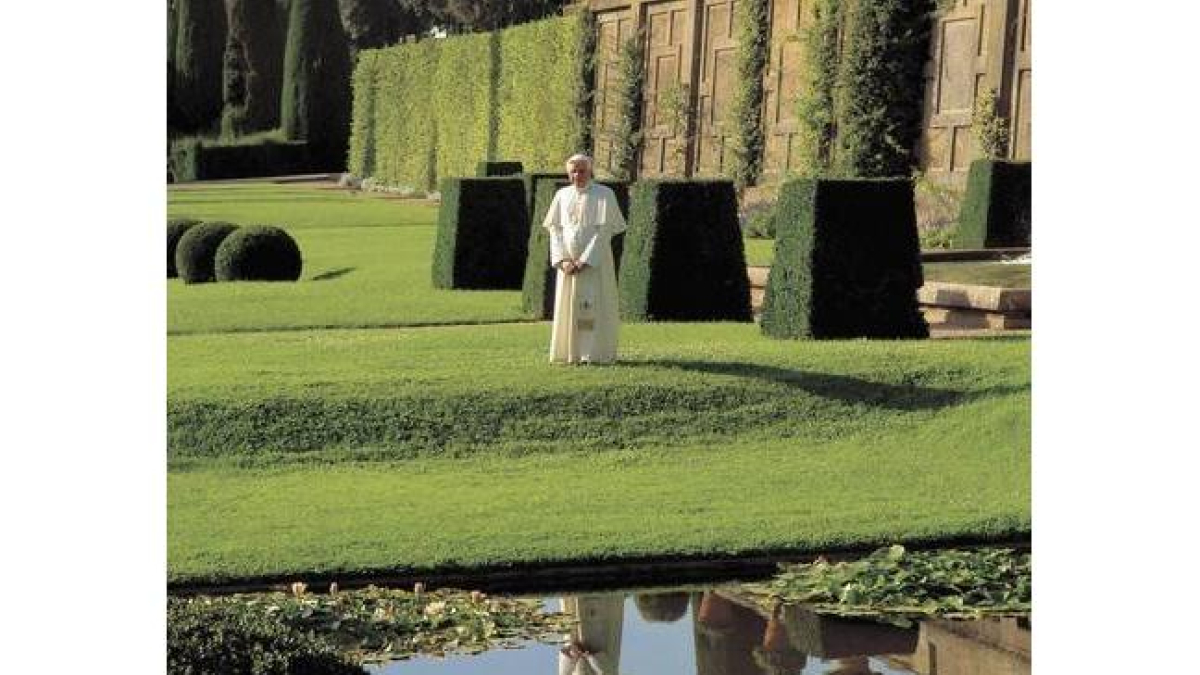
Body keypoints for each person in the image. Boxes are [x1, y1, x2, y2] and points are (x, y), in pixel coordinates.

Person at [542, 154, 627, 364]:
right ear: (568, 173)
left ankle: (594, 353)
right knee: (568, 308)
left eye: (581, 170)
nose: (577, 175)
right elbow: (555, 230)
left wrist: (585, 260)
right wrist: (563, 261)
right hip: (568, 267)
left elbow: (604, 231)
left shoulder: (604, 195)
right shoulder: (561, 195)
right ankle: (568, 353)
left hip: (595, 265)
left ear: (590, 171)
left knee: (593, 305)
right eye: (573, 171)